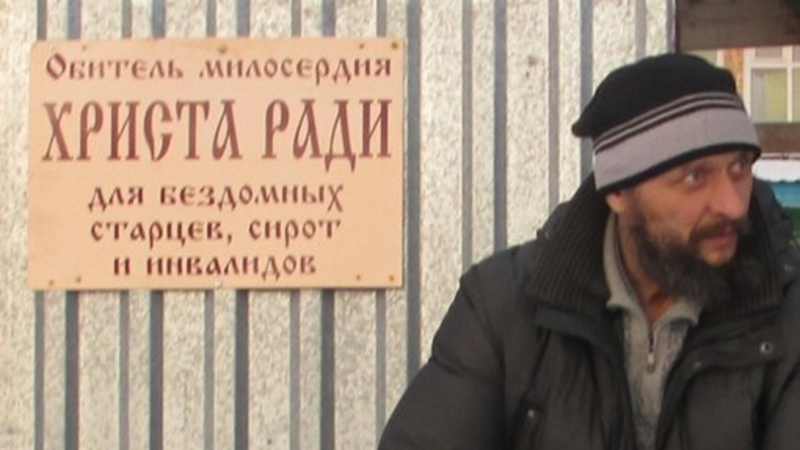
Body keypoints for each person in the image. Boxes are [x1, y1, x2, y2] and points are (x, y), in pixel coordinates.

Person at [378, 53, 800, 450]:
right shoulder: (503, 307)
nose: (731, 203)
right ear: (617, 191)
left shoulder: (789, 313)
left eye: (739, 168)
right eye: (694, 177)